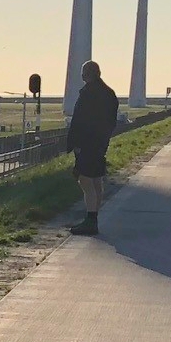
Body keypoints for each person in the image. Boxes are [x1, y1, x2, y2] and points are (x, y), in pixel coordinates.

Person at [65, 61, 121, 236]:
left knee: (85, 180)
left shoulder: (88, 93)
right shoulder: (109, 93)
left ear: (87, 74)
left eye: (83, 73)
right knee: (96, 179)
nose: (81, 76)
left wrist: (76, 144)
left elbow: (81, 121)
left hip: (88, 144)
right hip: (101, 142)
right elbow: (111, 120)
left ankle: (90, 220)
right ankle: (94, 217)